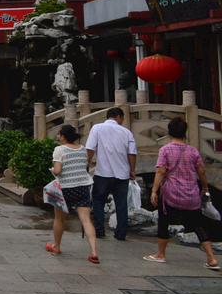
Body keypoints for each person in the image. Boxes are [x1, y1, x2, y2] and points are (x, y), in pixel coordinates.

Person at [144, 117, 219, 269]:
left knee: (164, 222)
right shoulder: (193, 151)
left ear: (169, 132)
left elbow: (161, 171)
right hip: (191, 194)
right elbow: (202, 172)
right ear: (185, 133)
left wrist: (154, 190)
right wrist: (205, 188)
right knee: (198, 224)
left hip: (170, 193)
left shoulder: (165, 150)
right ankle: (211, 258)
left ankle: (161, 254)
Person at [44, 125, 99, 263]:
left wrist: (52, 169)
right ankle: (93, 252)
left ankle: (56, 246)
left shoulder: (59, 150)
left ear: (63, 136)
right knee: (86, 220)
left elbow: (57, 171)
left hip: (65, 189)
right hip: (83, 187)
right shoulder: (83, 149)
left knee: (59, 219)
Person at [86, 107, 137, 240]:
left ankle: (99, 230)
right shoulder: (127, 132)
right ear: (119, 117)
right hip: (122, 174)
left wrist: (87, 163)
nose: (123, 121)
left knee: (98, 201)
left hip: (103, 173)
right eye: (123, 118)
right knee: (121, 204)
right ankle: (121, 233)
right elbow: (132, 154)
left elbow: (90, 148)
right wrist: (132, 170)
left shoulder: (97, 128)